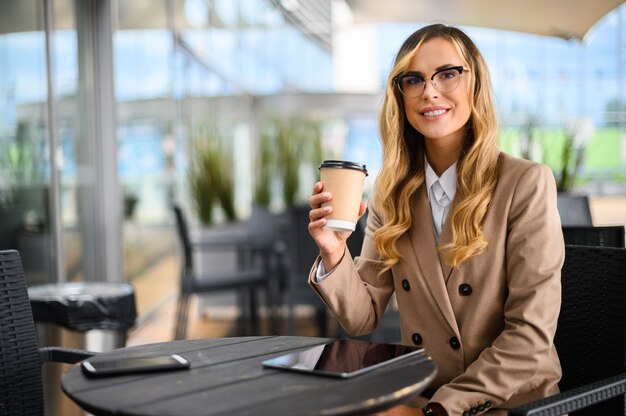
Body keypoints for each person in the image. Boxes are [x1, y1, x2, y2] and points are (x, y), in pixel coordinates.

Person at [306, 23, 564, 416]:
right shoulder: (391, 195)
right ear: (401, 95)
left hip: (511, 403)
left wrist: (443, 408)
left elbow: (530, 336)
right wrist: (333, 252)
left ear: (474, 83)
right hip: (427, 394)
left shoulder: (525, 183)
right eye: (414, 79)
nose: (429, 91)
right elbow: (362, 319)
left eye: (447, 73)